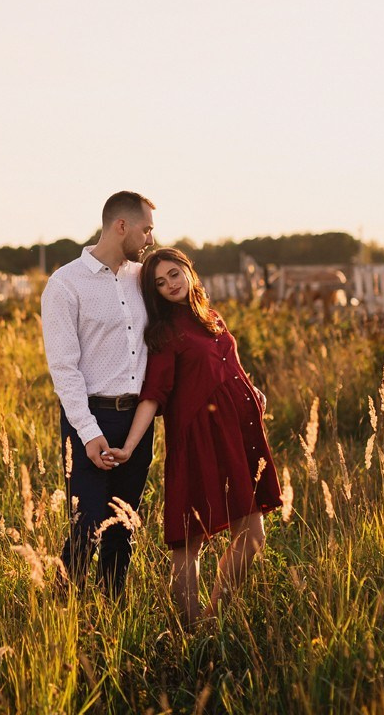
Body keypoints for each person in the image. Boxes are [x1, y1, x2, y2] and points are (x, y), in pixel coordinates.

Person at [109, 247, 282, 625]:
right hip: (199, 440)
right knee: (189, 543)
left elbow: (227, 364)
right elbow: (154, 395)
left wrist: (252, 391)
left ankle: (213, 617)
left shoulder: (211, 317)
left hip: (236, 435)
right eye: (159, 283)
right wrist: (129, 446)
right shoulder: (166, 333)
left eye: (174, 274)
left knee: (252, 535)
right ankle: (190, 627)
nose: (170, 284)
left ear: (188, 271)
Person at [40, 191, 156, 597]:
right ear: (121, 226)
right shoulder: (65, 283)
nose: (150, 240)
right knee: (86, 522)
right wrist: (88, 433)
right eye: (146, 229)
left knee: (123, 529)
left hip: (137, 421)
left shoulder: (143, 278)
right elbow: (64, 369)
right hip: (89, 419)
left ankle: (112, 617)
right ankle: (60, 614)